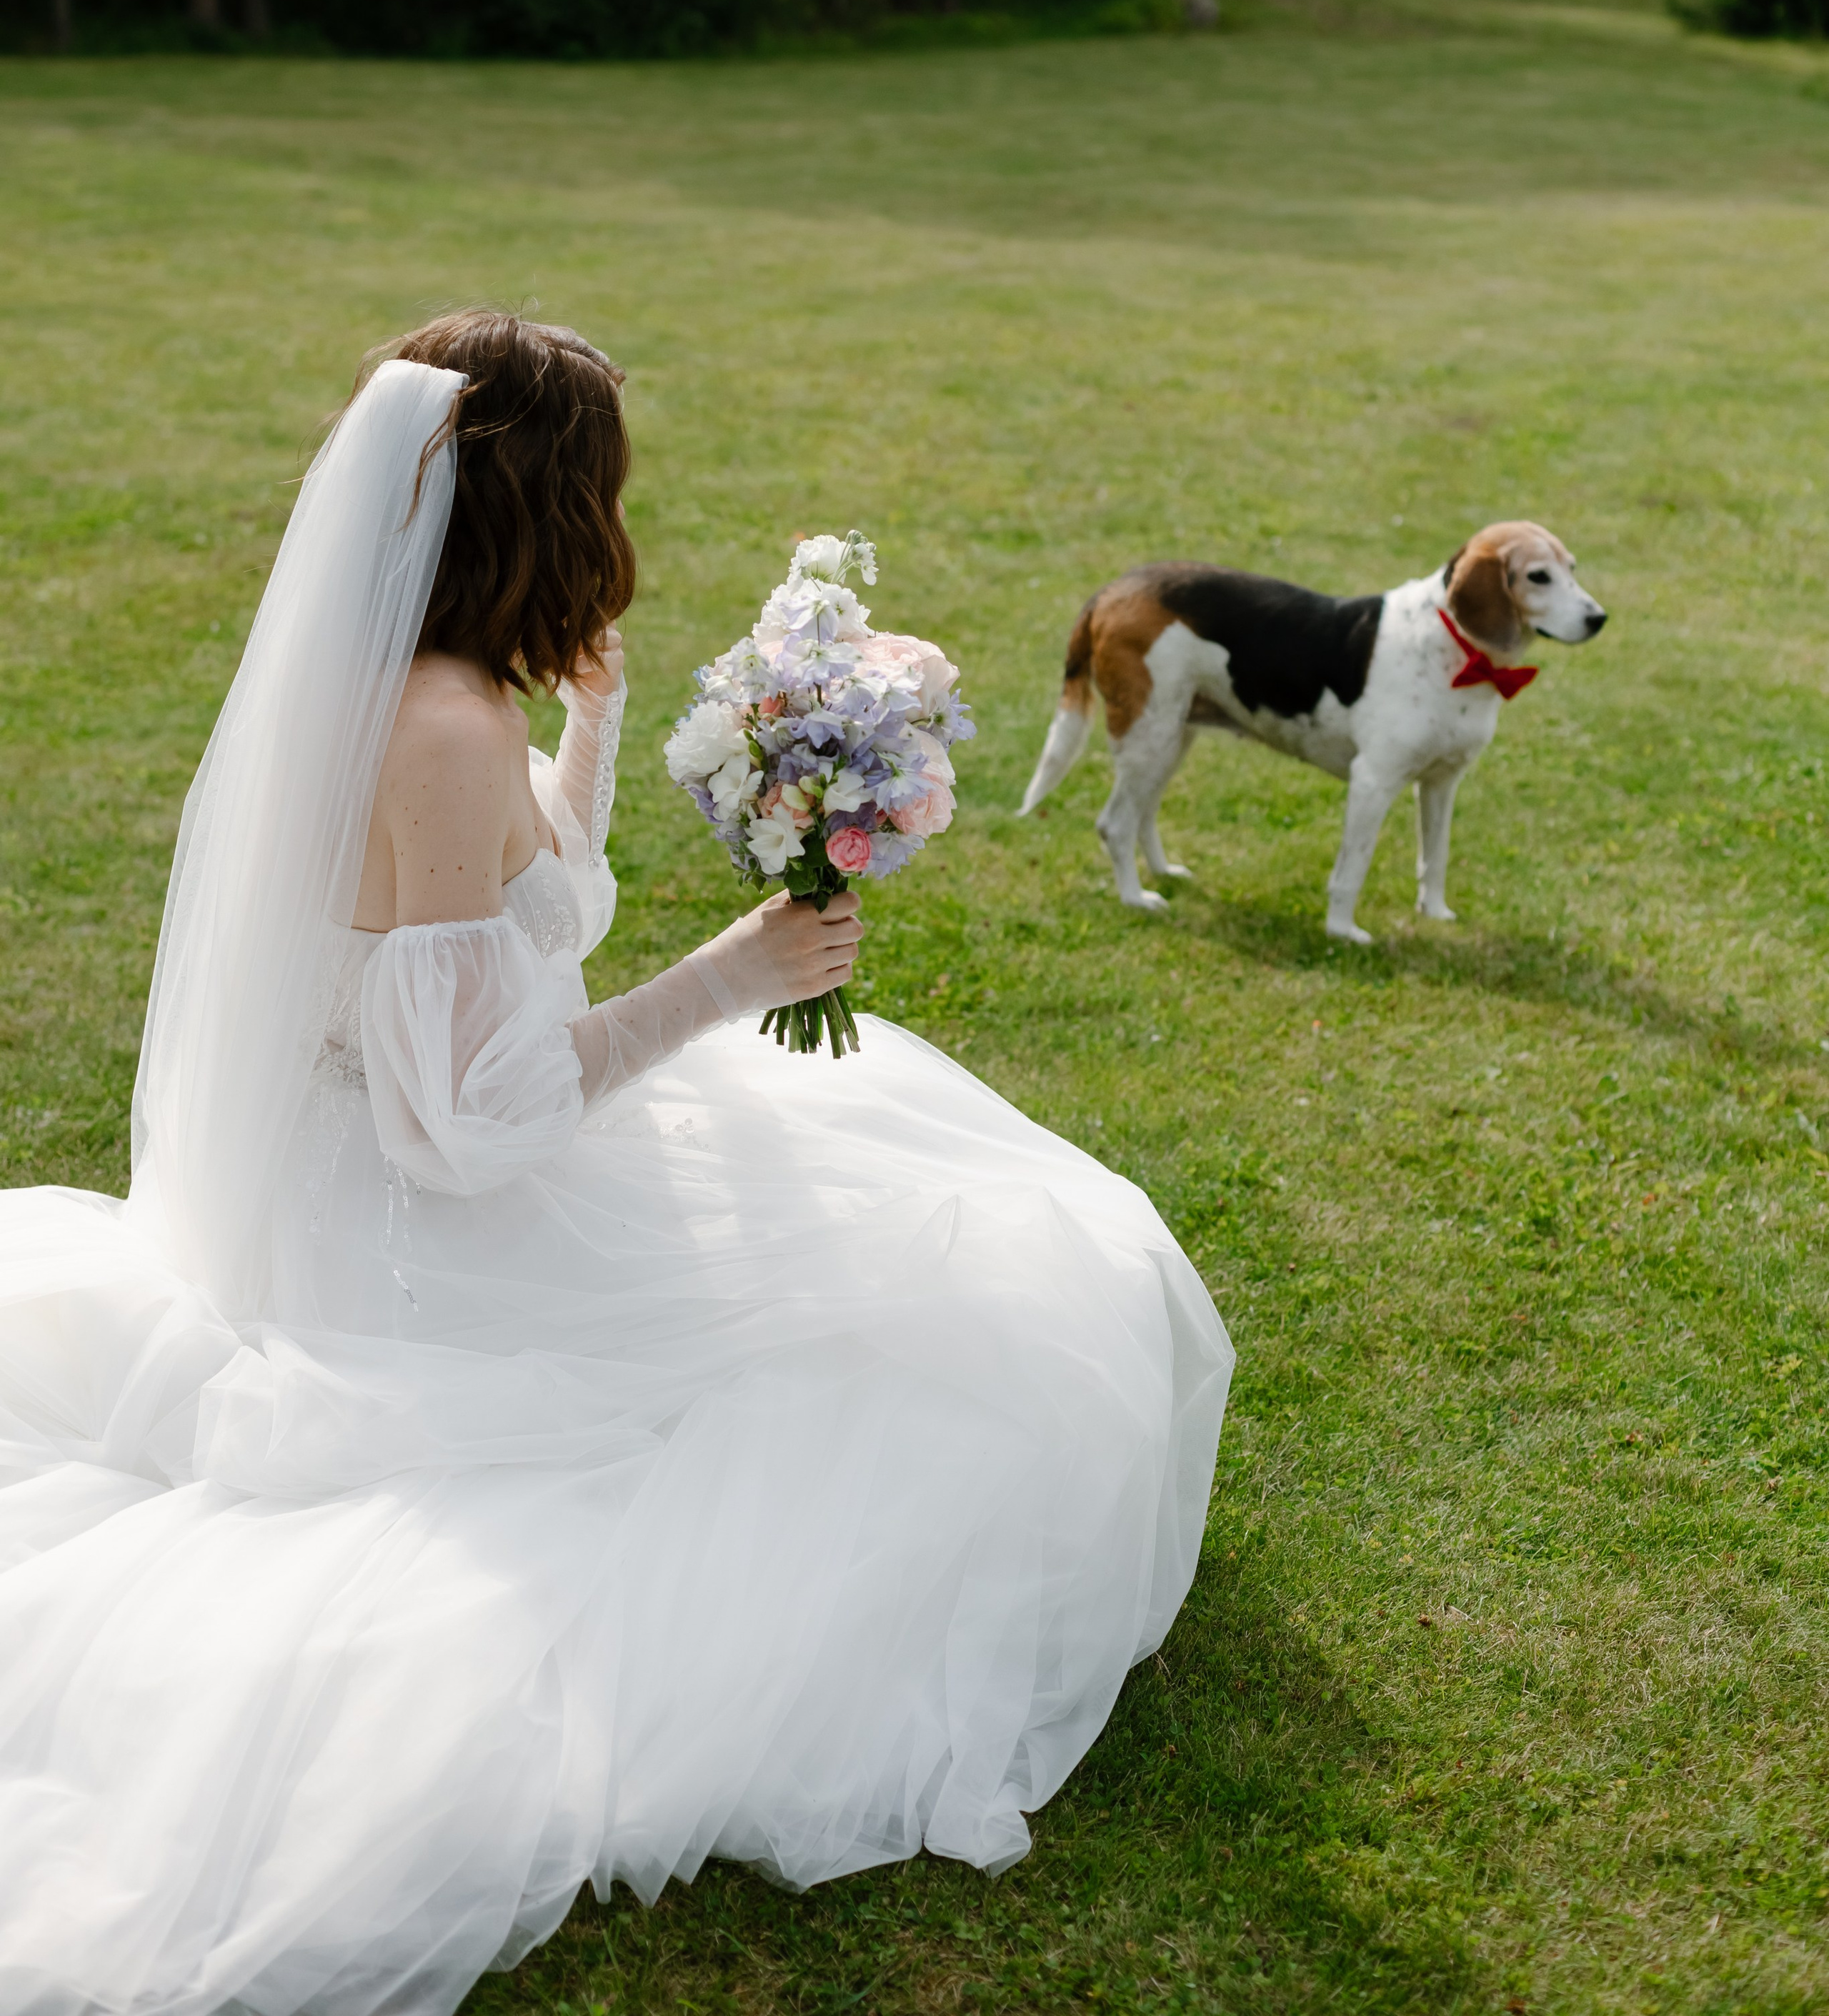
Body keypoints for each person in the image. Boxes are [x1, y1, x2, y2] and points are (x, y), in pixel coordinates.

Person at [0, 311, 1232, 2016]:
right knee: (986, 1306)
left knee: (968, 1214)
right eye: (607, 485)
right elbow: (472, 1127)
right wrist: (727, 982)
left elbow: (517, 899)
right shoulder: (430, 729)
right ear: (546, 503)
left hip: (388, 1153)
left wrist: (592, 724)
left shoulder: (424, 689)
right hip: (418, 1240)